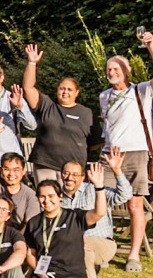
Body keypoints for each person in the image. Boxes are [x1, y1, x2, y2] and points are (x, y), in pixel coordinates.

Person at [98, 29, 153, 273]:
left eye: (117, 68)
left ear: (127, 71)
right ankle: (102, 247)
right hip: (109, 155)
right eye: (109, 69)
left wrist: (151, 47)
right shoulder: (104, 96)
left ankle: (134, 256)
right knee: (101, 203)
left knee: (135, 206)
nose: (112, 72)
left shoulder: (141, 91)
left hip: (137, 153)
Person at [26, 175, 108, 278]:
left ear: (60, 197)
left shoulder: (74, 217)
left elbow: (99, 213)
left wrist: (99, 187)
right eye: (42, 196)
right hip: (44, 272)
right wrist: (39, 272)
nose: (47, 200)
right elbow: (30, 253)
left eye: (51, 196)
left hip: (72, 274)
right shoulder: (33, 222)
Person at [58, 149, 132, 278]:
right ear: (61, 175)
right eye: (66, 173)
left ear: (82, 177)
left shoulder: (95, 189)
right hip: (70, 247)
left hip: (102, 243)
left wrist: (117, 171)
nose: (69, 178)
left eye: (75, 175)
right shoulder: (58, 197)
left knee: (81, 244)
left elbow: (125, 195)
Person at [22, 45, 99, 182]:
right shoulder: (46, 105)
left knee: (71, 202)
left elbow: (96, 142)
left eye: (69, 89)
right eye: (62, 89)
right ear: (57, 90)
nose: (65, 92)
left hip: (73, 170)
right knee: (47, 201)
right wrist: (32, 62)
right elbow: (28, 88)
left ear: (76, 93)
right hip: (46, 165)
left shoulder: (86, 113)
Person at [0, 116, 41, 229]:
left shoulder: (30, 195)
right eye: (7, 169)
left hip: (15, 237)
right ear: (1, 170)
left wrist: (18, 242)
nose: (11, 174)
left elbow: (29, 224)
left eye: (16, 170)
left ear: (23, 172)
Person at [0, 61, 36, 165]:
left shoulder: (13, 98)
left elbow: (32, 126)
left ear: (2, 78)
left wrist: (20, 107)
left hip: (12, 159)